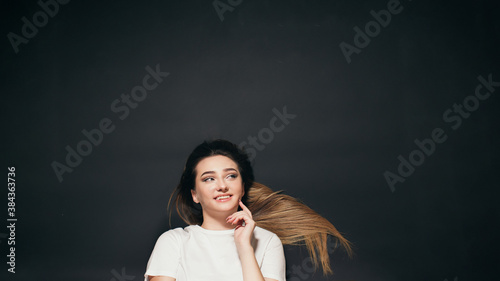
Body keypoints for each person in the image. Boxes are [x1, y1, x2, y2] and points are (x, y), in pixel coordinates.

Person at [144, 139, 352, 281]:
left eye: (231, 175)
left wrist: (244, 247)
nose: (222, 185)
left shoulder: (268, 241)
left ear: (242, 187)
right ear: (195, 194)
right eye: (209, 178)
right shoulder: (174, 242)